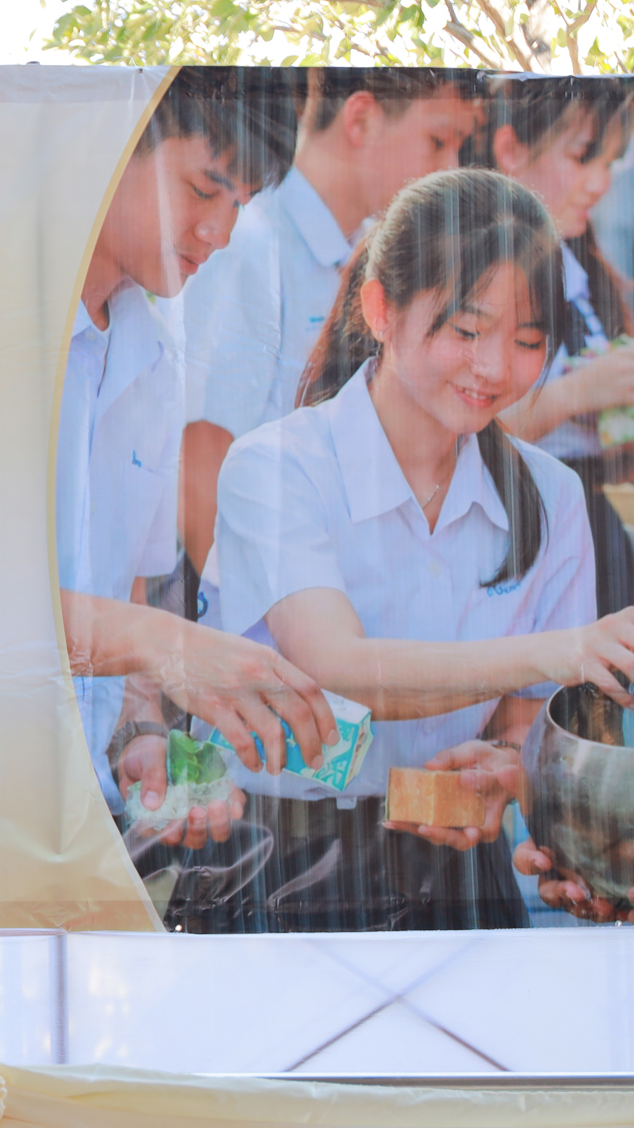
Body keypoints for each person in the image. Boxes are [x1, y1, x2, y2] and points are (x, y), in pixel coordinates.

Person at [214, 168, 634, 932]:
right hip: (282, 859)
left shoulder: (552, 496)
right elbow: (337, 664)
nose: (494, 368)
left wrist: (504, 766)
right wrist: (560, 650)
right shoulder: (276, 467)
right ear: (381, 309)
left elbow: (529, 717)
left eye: (528, 340)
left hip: (463, 873)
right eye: (466, 331)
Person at [58, 64, 338, 852]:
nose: (217, 232)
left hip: (80, 819)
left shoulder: (157, 355)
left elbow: (125, 591)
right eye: (202, 189)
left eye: (240, 204)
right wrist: (171, 645)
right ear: (114, 153)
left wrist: (139, 731)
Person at [182, 69, 481, 622]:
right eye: (438, 141)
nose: (451, 168)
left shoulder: (370, 253)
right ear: (361, 118)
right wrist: (255, 632)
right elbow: (202, 459)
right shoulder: (251, 245)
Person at [468, 75, 634, 615]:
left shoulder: (577, 267)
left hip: (588, 525)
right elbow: (457, 433)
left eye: (610, 163)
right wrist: (578, 393)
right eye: (584, 157)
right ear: (510, 149)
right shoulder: (477, 271)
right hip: (512, 531)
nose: (600, 183)